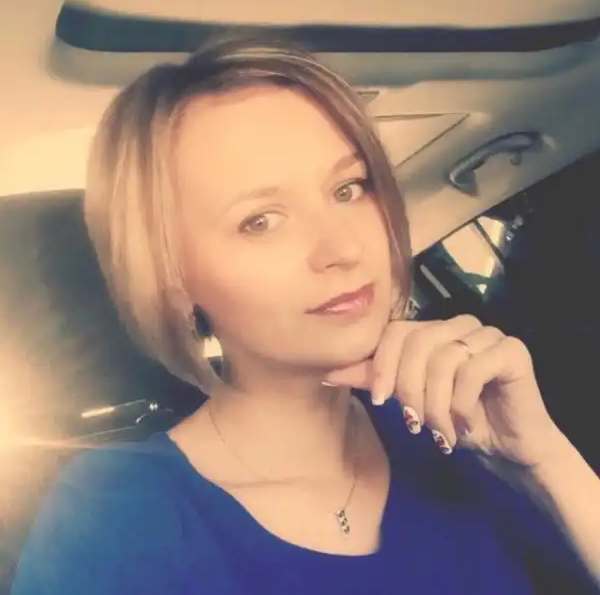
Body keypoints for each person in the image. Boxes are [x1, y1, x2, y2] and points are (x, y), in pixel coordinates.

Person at [10, 31, 600, 595]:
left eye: (348, 189)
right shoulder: (116, 517)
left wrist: (544, 462)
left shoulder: (451, 430)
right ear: (172, 278)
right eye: (260, 221)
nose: (342, 248)